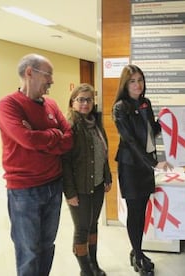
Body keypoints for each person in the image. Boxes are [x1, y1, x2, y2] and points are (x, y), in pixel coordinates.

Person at [0, 53, 73, 276]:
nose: (52, 81)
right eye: (48, 75)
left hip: (53, 186)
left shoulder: (51, 103)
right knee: (29, 251)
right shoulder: (8, 105)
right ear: (30, 72)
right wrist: (54, 135)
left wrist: (43, 137)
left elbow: (69, 138)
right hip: (24, 191)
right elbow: (26, 139)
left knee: (47, 247)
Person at [112, 64, 173, 276]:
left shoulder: (145, 103)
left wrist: (165, 120)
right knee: (135, 212)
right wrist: (154, 164)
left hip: (146, 165)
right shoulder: (120, 107)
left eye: (140, 80)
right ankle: (138, 255)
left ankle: (136, 250)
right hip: (131, 166)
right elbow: (129, 141)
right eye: (133, 81)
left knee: (143, 211)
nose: (138, 84)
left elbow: (150, 131)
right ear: (125, 84)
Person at [62, 83, 112, 276]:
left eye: (89, 99)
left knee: (93, 225)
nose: (85, 103)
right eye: (81, 99)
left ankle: (93, 265)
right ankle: (86, 271)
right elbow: (64, 163)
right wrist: (70, 193)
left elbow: (103, 152)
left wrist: (106, 176)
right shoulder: (70, 126)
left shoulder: (95, 123)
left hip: (97, 185)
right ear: (73, 102)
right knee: (82, 229)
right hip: (80, 188)